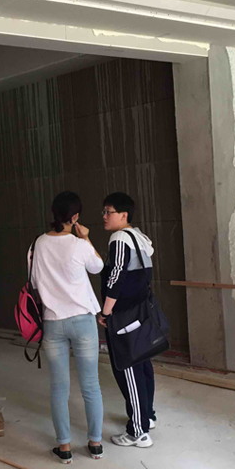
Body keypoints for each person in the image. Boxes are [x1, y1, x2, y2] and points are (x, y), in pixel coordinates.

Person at [29, 191, 105, 464]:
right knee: (90, 385)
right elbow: (98, 267)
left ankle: (64, 448)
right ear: (75, 217)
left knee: (59, 388)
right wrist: (86, 237)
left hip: (53, 322)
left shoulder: (38, 243)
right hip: (82, 321)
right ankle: (95, 444)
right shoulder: (78, 244)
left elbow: (34, 282)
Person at [97, 192, 157, 449]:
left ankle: (138, 432)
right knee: (142, 365)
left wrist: (106, 312)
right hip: (140, 313)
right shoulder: (139, 237)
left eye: (108, 212)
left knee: (128, 370)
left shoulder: (119, 238)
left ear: (123, 215)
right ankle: (147, 416)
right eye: (103, 211)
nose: (104, 216)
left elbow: (115, 278)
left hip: (123, 315)